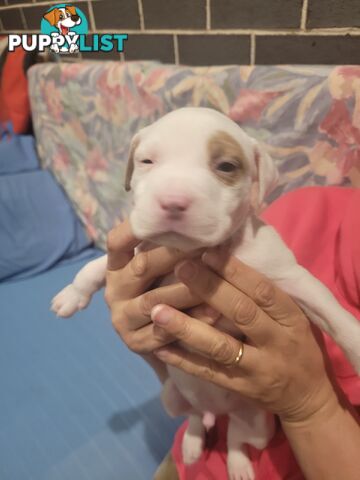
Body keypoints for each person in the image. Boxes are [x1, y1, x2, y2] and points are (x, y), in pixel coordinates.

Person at [105, 186, 360, 480]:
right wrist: (146, 335)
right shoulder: (302, 207)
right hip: (199, 442)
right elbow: (184, 351)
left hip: (267, 438)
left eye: (223, 167)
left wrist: (312, 407)